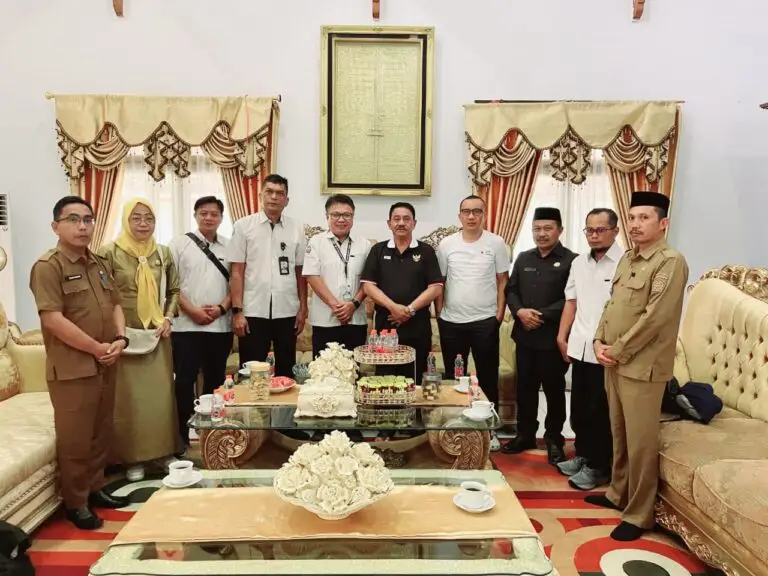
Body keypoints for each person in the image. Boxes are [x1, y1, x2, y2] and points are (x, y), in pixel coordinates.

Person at [587, 191, 688, 542]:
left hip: (642, 367)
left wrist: (619, 350)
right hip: (613, 361)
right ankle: (618, 493)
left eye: (644, 218)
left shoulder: (670, 262)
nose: (635, 224)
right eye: (632, 218)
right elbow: (612, 305)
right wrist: (598, 340)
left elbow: (655, 318)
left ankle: (640, 513)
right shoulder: (628, 258)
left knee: (641, 442)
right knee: (619, 432)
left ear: (663, 223)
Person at [29, 196, 130, 529]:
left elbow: (116, 304)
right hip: (72, 369)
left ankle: (96, 487)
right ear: (55, 226)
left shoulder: (98, 262)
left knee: (101, 431)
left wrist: (120, 338)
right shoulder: (48, 267)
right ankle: (76, 503)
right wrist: (95, 348)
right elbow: (52, 319)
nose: (83, 226)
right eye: (73, 219)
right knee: (75, 439)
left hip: (106, 362)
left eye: (88, 219)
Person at [98, 199, 181, 482]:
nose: (143, 224)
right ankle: (132, 458)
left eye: (149, 218)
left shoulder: (163, 253)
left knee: (160, 399)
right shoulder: (109, 252)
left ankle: (163, 453)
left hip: (157, 335)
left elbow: (174, 290)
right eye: (136, 218)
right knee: (130, 402)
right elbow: (104, 296)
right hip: (124, 337)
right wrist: (115, 331)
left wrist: (168, 318)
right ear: (126, 220)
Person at [502, 207, 576, 464]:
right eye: (537, 229)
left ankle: (554, 438)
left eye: (548, 228)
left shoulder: (572, 260)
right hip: (525, 336)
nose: (541, 234)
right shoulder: (524, 258)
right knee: (525, 389)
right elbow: (511, 291)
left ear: (560, 230)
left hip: (553, 338)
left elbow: (571, 299)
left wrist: (540, 315)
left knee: (554, 391)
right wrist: (520, 311)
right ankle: (525, 434)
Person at [556, 208, 623, 490]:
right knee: (580, 407)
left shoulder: (625, 263)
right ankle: (583, 454)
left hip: (606, 349)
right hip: (580, 344)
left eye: (600, 230)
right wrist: (562, 336)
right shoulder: (578, 263)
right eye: (589, 230)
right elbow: (571, 301)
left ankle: (599, 467)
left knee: (601, 411)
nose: (594, 235)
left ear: (615, 231)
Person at [436, 195, 508, 452]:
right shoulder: (446, 244)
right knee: (455, 377)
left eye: (477, 211)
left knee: (487, 377)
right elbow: (440, 281)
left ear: (484, 215)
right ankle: (456, 426)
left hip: (485, 321)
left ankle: (489, 429)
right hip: (451, 322)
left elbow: (503, 279)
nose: (471, 216)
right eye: (466, 211)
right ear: (459, 216)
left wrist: (499, 314)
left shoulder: (496, 243)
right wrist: (439, 312)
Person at [228, 174, 308, 377]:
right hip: (253, 310)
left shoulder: (297, 228)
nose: (274, 197)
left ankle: (285, 400)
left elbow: (300, 272)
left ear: (287, 200)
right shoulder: (243, 226)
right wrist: (237, 311)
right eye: (269, 192)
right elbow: (236, 272)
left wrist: (303, 308)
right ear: (260, 196)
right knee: (251, 372)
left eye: (280, 193)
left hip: (287, 310)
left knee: (286, 372)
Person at [168, 196, 233, 449]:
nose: (209, 218)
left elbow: (238, 283)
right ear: (195, 215)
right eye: (203, 213)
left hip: (220, 326)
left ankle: (212, 437)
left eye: (214, 214)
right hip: (186, 327)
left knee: (215, 382)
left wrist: (221, 308)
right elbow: (171, 285)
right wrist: (193, 311)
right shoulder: (179, 244)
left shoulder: (230, 246)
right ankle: (181, 438)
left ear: (221, 218)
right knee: (184, 382)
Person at [361, 202, 443, 384]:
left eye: (406, 219)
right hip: (385, 329)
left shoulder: (426, 251)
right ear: (389, 223)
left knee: (415, 381)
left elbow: (436, 287)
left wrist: (409, 310)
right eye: (396, 219)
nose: (401, 223)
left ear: (414, 223)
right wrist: (394, 308)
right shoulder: (378, 250)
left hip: (418, 327)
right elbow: (368, 286)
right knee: (385, 382)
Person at [303, 194, 371, 356]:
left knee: (353, 368)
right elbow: (312, 276)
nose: (341, 219)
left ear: (353, 217)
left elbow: (368, 281)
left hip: (355, 319)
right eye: (336, 215)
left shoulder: (365, 245)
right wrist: (336, 307)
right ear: (327, 216)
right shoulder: (316, 242)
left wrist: (353, 304)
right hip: (324, 320)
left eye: (347, 215)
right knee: (323, 368)